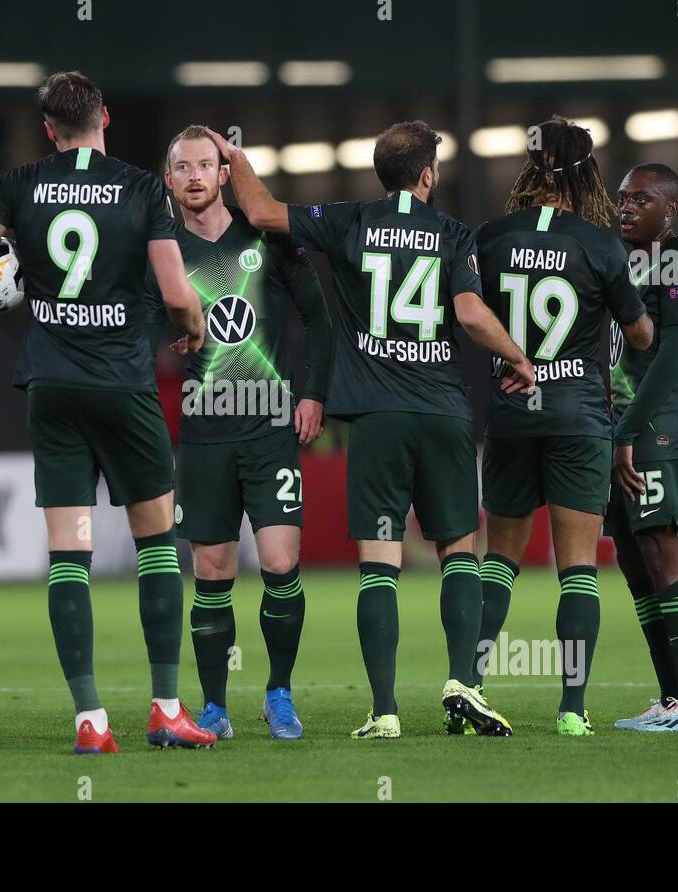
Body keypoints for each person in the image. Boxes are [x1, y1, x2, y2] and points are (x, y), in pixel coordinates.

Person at [205, 121, 535, 739]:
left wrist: (233, 156)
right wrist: (517, 357)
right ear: (428, 175)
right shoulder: (451, 233)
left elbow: (257, 208)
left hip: (377, 418)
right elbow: (468, 313)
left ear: (381, 172)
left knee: (379, 564)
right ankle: (462, 683)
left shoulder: (349, 220)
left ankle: (383, 713)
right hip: (442, 412)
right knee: (459, 551)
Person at [0, 72, 213, 753]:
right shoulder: (144, 188)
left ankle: (90, 720)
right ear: (105, 117)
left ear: (51, 128)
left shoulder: (23, 182)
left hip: (53, 388)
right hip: (122, 385)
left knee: (69, 555)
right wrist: (194, 326)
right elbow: (176, 292)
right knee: (155, 546)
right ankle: (166, 709)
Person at [149, 125, 333, 740]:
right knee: (212, 573)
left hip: (269, 431)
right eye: (183, 167)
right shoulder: (162, 249)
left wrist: (313, 393)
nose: (196, 175)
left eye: (207, 164)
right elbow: (135, 327)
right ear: (169, 177)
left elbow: (321, 319)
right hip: (202, 438)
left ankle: (279, 692)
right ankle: (215, 707)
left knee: (282, 563)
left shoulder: (268, 240)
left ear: (225, 173)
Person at [475, 116, 653, 736]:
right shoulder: (601, 244)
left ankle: (468, 686)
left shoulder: (490, 237)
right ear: (588, 172)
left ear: (527, 168)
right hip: (579, 416)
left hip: (509, 415)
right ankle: (572, 710)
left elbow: (466, 312)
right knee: (577, 566)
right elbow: (638, 333)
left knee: (498, 559)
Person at [606, 163, 678, 732]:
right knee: (634, 557)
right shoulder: (622, 259)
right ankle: (673, 699)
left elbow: (674, 353)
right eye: (622, 198)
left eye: (641, 199)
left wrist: (627, 430)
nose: (626, 207)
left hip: (664, 422)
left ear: (670, 210)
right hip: (623, 424)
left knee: (663, 549)